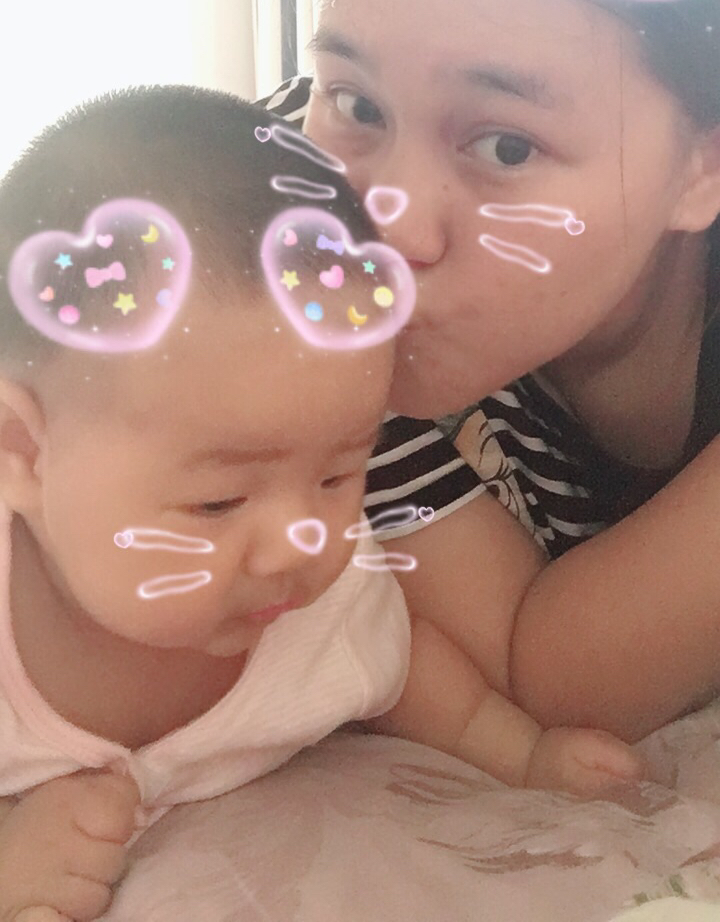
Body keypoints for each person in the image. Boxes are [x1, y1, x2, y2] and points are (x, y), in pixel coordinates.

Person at [0, 86, 639, 922]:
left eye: (340, 475)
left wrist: (527, 757)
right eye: (219, 501)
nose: (300, 539)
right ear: (23, 454)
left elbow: (409, 674)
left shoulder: (319, 612)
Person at [263, 0, 720, 743]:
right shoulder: (278, 224)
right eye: (358, 103)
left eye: (506, 146)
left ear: (703, 163)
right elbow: (535, 669)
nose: (391, 229)